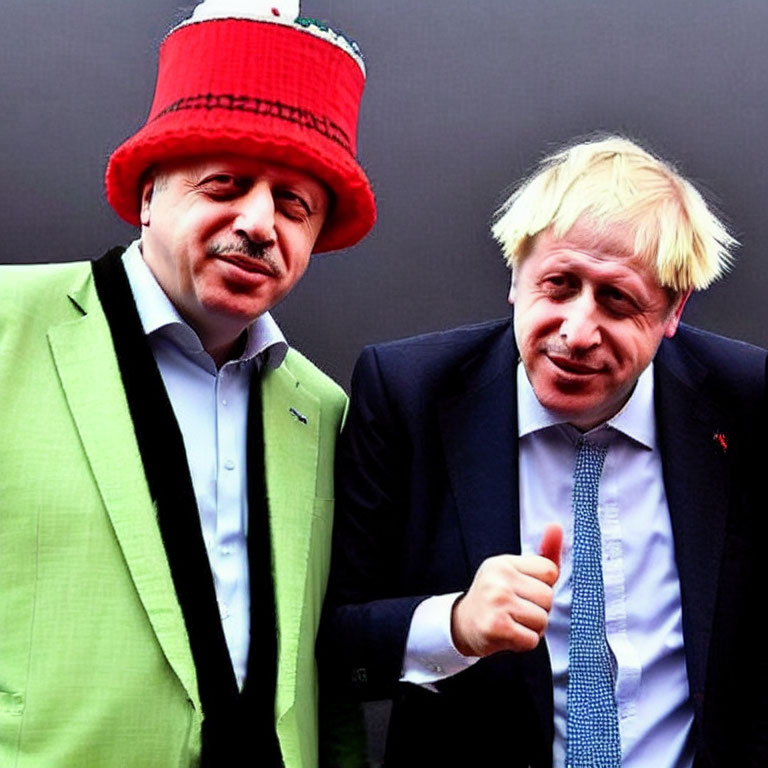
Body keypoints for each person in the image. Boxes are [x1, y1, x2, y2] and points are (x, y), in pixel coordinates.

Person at [0, 1, 375, 766]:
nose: (260, 223)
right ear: (148, 194)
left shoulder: (321, 407)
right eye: (226, 183)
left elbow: (322, 674)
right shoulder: (7, 325)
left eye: (294, 205)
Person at [319, 135, 768, 767]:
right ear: (516, 274)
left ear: (673, 309)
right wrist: (454, 627)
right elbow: (335, 644)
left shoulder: (747, 404)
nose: (577, 333)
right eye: (558, 285)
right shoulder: (408, 395)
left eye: (618, 300)